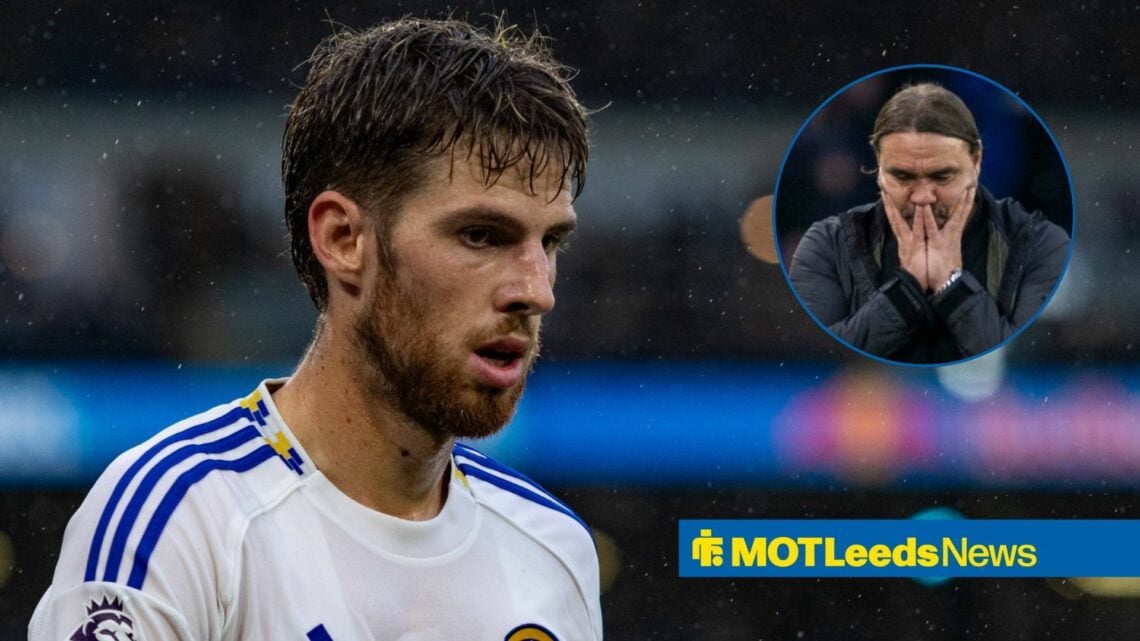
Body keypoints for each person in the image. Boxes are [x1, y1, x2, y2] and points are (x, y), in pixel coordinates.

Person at [30, 17, 601, 641]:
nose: (536, 290)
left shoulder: (553, 550)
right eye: (481, 235)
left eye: (549, 242)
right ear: (342, 239)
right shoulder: (173, 523)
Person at [788, 82, 1070, 364]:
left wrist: (950, 285)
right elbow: (834, 357)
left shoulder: (1037, 246)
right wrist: (908, 288)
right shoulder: (827, 245)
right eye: (902, 176)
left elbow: (1015, 356)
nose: (923, 197)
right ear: (878, 168)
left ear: (975, 163)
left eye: (942, 176)